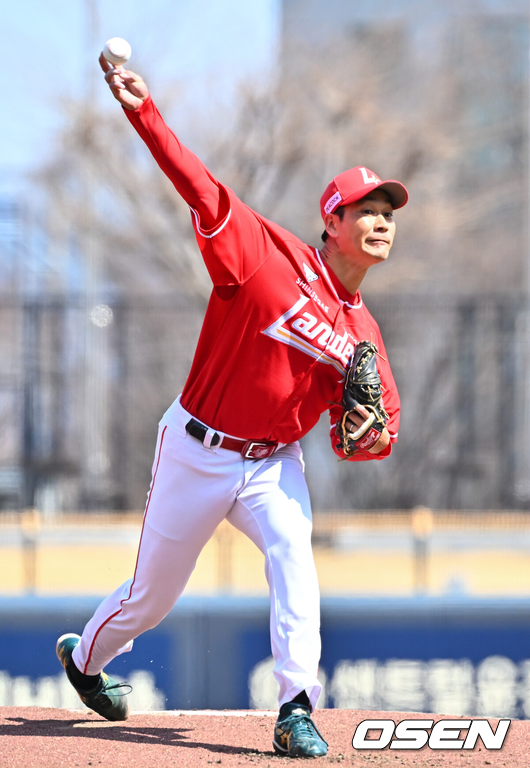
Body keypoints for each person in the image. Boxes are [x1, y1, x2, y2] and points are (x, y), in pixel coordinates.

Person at [56, 54, 408, 758]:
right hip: (196, 448)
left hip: (272, 464)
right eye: (366, 211)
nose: (381, 223)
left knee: (294, 557)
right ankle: (85, 659)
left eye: (388, 214)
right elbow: (197, 183)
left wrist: (365, 435)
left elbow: (377, 435)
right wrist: (142, 110)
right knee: (152, 598)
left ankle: (295, 708)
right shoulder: (265, 255)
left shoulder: (364, 336)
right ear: (331, 220)